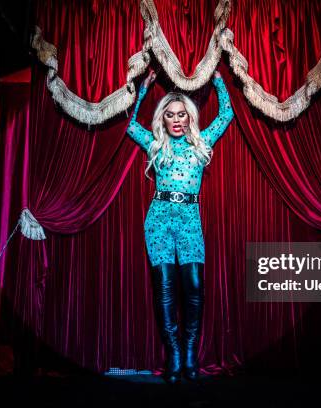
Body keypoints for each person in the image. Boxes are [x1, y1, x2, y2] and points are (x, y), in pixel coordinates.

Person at [126, 67, 234, 384]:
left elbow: (226, 114)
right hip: (159, 218)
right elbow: (131, 125)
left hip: (189, 219)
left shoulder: (201, 142)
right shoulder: (156, 144)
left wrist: (218, 81)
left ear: (188, 118)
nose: (175, 119)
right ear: (164, 119)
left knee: (195, 288)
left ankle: (189, 352)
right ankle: (173, 354)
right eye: (170, 115)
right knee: (165, 291)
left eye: (181, 114)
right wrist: (143, 89)